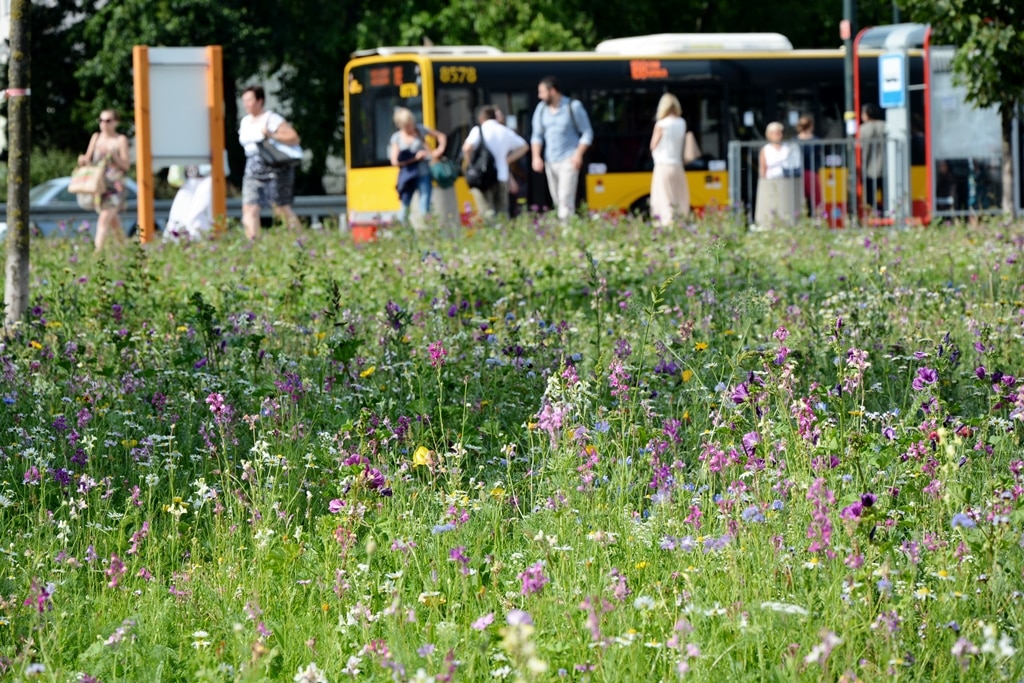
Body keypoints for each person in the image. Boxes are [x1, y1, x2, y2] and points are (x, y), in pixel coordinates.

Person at [238, 85, 302, 240]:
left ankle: (300, 241)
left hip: (274, 169)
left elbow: (294, 138)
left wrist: (271, 134)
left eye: (250, 100)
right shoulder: (245, 121)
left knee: (280, 209)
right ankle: (252, 245)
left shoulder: (271, 119)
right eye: (244, 101)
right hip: (252, 170)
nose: (246, 104)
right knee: (249, 208)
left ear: (260, 101)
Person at [530, 76, 594, 222]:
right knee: (558, 199)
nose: (539, 96)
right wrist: (536, 157)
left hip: (568, 159)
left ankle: (566, 234)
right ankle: (565, 229)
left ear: (552, 91)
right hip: (550, 161)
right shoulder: (541, 109)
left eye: (542, 92)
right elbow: (536, 136)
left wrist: (578, 154)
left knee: (565, 198)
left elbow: (587, 132)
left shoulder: (573, 106)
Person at [462, 105, 529, 220]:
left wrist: (471, 164)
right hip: (502, 177)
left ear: (481, 118)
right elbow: (524, 146)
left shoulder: (479, 130)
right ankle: (503, 235)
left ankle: (492, 236)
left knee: (487, 212)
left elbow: (467, 148)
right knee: (503, 212)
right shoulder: (505, 131)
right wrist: (508, 159)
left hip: (484, 177)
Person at [78, 109, 131, 252]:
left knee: (104, 219)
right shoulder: (96, 137)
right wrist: (82, 160)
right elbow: (88, 160)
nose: (104, 124)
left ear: (116, 122)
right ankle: (125, 251)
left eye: (108, 121)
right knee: (114, 222)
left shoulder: (120, 140)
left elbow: (126, 165)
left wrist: (113, 155)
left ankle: (97, 253)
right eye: (101, 120)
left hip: (115, 186)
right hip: (100, 186)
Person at [389, 107, 447, 225]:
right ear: (400, 125)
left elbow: (441, 136)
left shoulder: (420, 130)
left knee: (425, 208)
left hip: (424, 174)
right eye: (407, 126)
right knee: (404, 208)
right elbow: (394, 162)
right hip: (407, 177)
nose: (411, 128)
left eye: (411, 124)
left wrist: (438, 151)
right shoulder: (396, 138)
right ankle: (404, 234)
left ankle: (427, 234)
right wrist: (415, 158)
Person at [647, 93, 690, 226]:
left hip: (663, 166)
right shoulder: (682, 122)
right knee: (679, 199)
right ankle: (681, 225)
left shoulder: (661, 124)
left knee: (664, 199)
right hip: (678, 166)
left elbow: (653, 145)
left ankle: (667, 227)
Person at [860, 103, 886, 216]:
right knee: (887, 196)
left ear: (866, 115)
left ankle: (875, 215)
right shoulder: (885, 126)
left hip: (869, 169)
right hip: (885, 168)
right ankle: (885, 213)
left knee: (870, 198)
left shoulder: (862, 129)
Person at [795, 115, 823, 217]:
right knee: (816, 199)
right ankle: (819, 219)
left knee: (799, 199)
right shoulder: (816, 141)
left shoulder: (794, 141)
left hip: (797, 174)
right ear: (811, 126)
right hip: (812, 172)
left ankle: (800, 220)